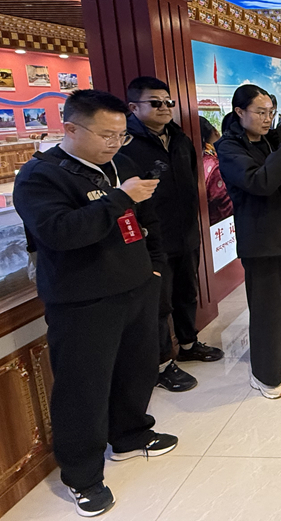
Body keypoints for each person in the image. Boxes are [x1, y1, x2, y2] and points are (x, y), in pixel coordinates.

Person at [14, 90, 178, 517]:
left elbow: (147, 219)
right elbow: (60, 233)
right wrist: (119, 198)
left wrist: (154, 266)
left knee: (136, 370)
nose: (114, 143)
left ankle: (130, 435)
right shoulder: (40, 176)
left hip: (136, 287)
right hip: (83, 300)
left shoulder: (119, 164)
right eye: (106, 135)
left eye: (121, 135)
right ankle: (82, 475)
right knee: (83, 388)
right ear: (70, 128)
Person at [123, 77, 223, 395]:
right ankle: (162, 365)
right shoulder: (126, 145)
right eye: (155, 103)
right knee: (158, 304)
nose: (165, 108)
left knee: (186, 292)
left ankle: (189, 343)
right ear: (133, 107)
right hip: (153, 239)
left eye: (168, 102)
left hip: (186, 232)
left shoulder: (179, 137)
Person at [216, 85, 281, 399]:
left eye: (270, 112)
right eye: (260, 112)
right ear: (239, 112)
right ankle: (264, 374)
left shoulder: (273, 140)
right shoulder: (229, 147)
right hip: (260, 236)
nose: (267, 118)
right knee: (267, 309)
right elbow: (260, 182)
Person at [198, 116, 233, 226]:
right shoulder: (216, 166)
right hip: (221, 225)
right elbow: (227, 207)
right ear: (216, 132)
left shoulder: (201, 160)